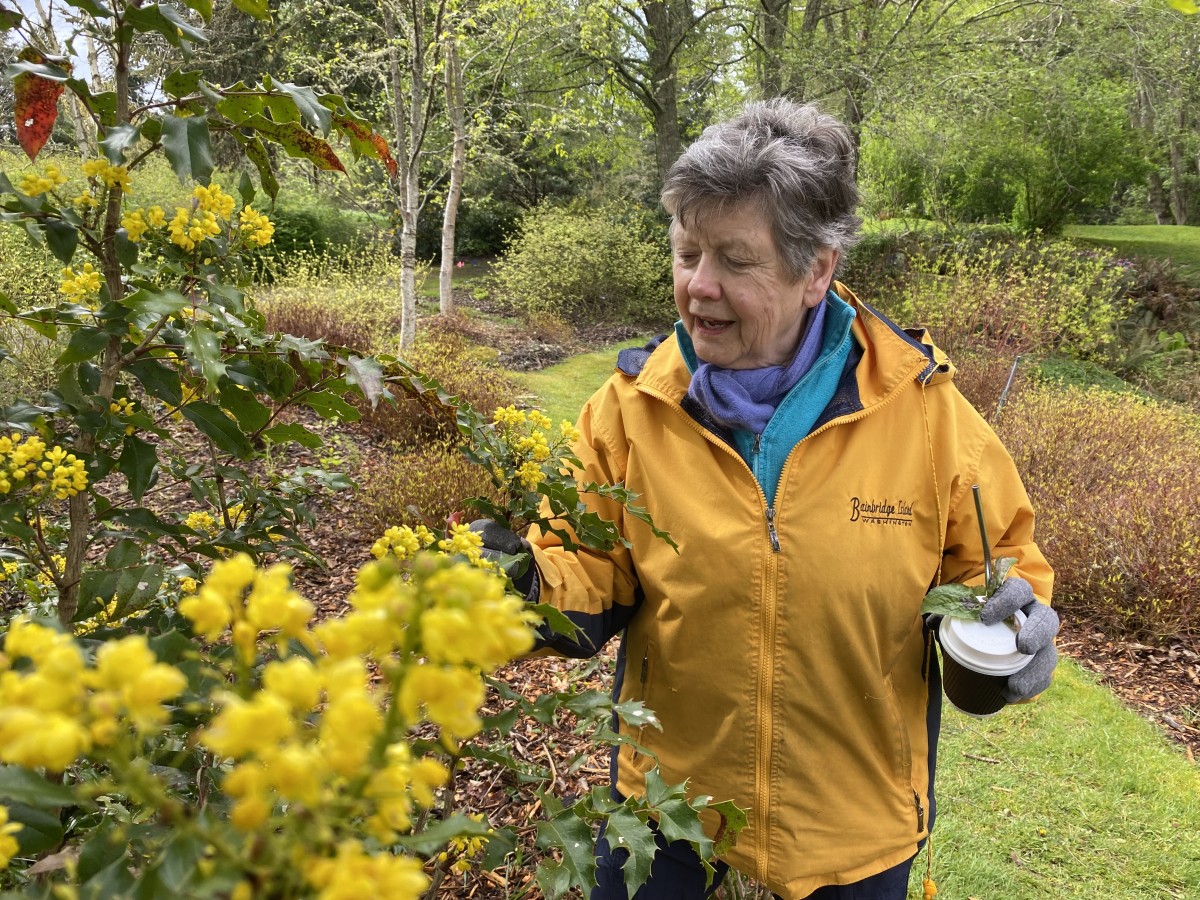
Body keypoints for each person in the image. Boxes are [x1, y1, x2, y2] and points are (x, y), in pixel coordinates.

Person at [474, 99, 1059, 900]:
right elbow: (588, 571)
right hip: (668, 830)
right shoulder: (631, 411)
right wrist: (515, 588)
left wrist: (1006, 643)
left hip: (852, 844)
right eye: (686, 252)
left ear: (816, 269)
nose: (697, 287)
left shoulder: (925, 415)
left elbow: (998, 573)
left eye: (734, 261)